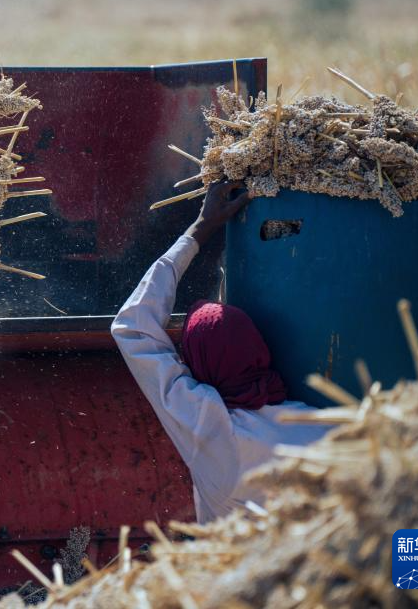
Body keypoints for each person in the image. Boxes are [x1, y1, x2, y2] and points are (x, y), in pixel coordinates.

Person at [110, 181, 329, 523]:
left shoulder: (210, 426)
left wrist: (201, 228)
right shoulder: (322, 428)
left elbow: (131, 328)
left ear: (202, 368)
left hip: (240, 576)